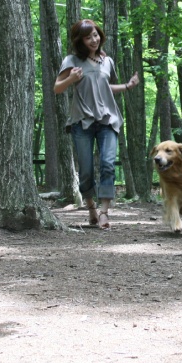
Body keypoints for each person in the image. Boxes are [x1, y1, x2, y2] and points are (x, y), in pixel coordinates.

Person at [54, 19, 139, 230]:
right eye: (88, 36)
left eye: (96, 35)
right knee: (86, 171)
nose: (94, 39)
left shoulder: (106, 61)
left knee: (108, 165)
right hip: (82, 121)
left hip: (107, 119)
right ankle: (91, 207)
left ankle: (104, 212)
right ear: (80, 40)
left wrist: (127, 86)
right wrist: (71, 79)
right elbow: (57, 88)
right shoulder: (71, 60)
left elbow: (105, 86)